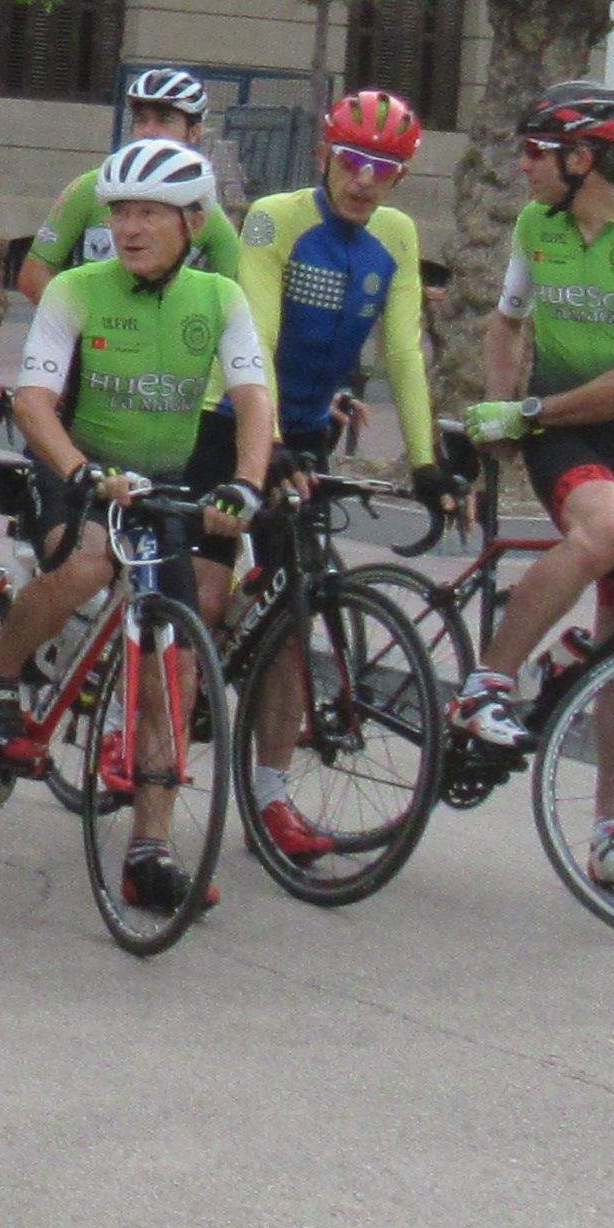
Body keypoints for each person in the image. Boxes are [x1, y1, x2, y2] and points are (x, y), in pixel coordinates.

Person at [0, 134, 279, 920]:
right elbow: (32, 400)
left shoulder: (219, 299)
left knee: (173, 666)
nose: (130, 227)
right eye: (120, 212)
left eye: (149, 212)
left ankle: (151, 849)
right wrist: (79, 470)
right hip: (76, 460)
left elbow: (253, 397)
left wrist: (247, 484)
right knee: (84, 567)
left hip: (165, 483)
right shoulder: (76, 289)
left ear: (192, 222)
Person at [447, 83, 614, 901]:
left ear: (582, 159)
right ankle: (489, 682)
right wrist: (501, 414)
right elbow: (506, 322)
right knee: (605, 527)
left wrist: (521, 407)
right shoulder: (535, 226)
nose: (522, 167)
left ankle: (610, 838)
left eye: (535, 152)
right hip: (565, 433)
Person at [226, 88, 451, 863]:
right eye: (353, 161)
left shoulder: (396, 234)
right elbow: (255, 327)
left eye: (385, 169)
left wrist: (425, 460)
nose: (365, 181)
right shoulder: (275, 217)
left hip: (309, 431)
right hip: (233, 418)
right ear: (326, 153)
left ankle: (270, 796)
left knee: (295, 611)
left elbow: (403, 350)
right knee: (203, 579)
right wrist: (271, 433)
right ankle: (154, 688)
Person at [9, 64, 239, 318]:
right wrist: (81, 331)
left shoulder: (206, 211)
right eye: (141, 120)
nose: (149, 131)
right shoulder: (89, 187)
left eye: (165, 120)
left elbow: (231, 303)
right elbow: (33, 276)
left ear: (194, 133)